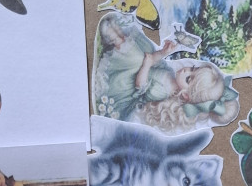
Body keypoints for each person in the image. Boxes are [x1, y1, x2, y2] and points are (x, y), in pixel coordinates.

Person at [94, 14, 239, 131]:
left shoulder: (162, 91)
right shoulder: (170, 74)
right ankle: (118, 33)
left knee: (137, 57)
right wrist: (163, 52)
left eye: (189, 78)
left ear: (186, 95)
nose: (186, 70)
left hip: (127, 84)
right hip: (139, 67)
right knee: (145, 51)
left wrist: (146, 65)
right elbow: (154, 61)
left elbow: (140, 86)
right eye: (193, 69)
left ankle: (114, 38)